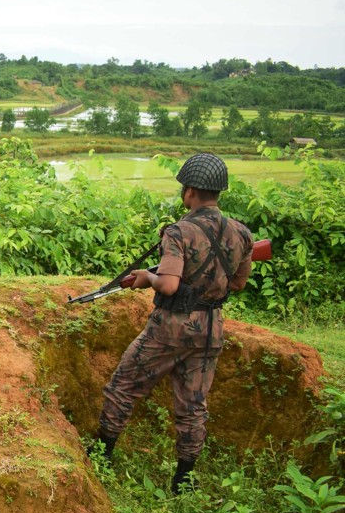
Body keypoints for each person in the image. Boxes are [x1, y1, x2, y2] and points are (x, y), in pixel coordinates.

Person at [94, 153, 253, 493]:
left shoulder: (179, 231)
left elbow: (168, 284)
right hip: (211, 329)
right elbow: (238, 284)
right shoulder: (241, 233)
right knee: (193, 407)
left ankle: (101, 458)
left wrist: (148, 278)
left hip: (170, 328)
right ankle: (184, 481)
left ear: (190, 191)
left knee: (123, 386)